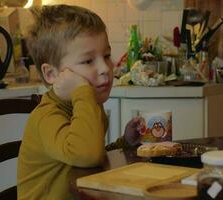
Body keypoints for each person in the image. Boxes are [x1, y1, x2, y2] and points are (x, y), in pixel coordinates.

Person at [17, 5, 140, 200]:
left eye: (106, 56)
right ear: (52, 74)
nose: (104, 68)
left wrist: (123, 143)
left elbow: (89, 159)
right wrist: (83, 92)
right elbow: (87, 155)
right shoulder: (47, 117)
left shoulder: (86, 107)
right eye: (88, 61)